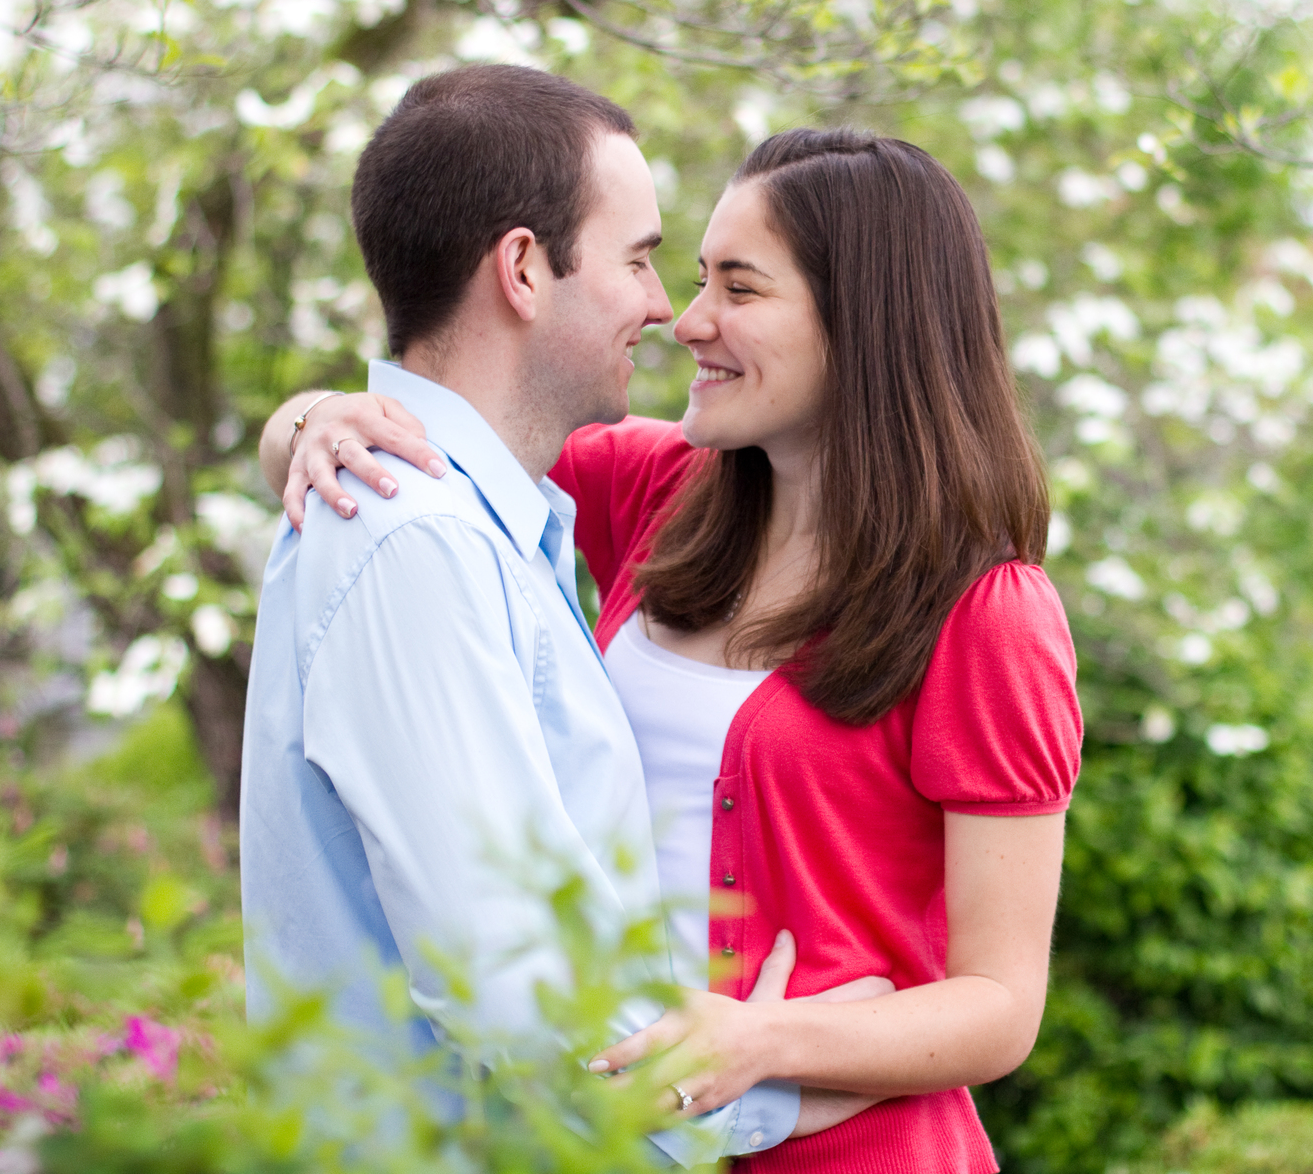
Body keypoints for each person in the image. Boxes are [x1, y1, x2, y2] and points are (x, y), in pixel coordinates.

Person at [266, 123, 1082, 1170]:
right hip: (619, 1133)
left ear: (866, 320)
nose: (686, 320)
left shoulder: (988, 614)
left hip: (845, 1141)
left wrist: (767, 1038)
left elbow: (1001, 1003)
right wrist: (316, 420)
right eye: (690, 277)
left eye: (738, 289)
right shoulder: (659, 490)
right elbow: (437, 458)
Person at [237, 66, 875, 1164]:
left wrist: (300, 418)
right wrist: (790, 1087)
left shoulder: (484, 523)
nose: (665, 308)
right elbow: (518, 985)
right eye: (637, 258)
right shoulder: (418, 542)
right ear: (523, 268)